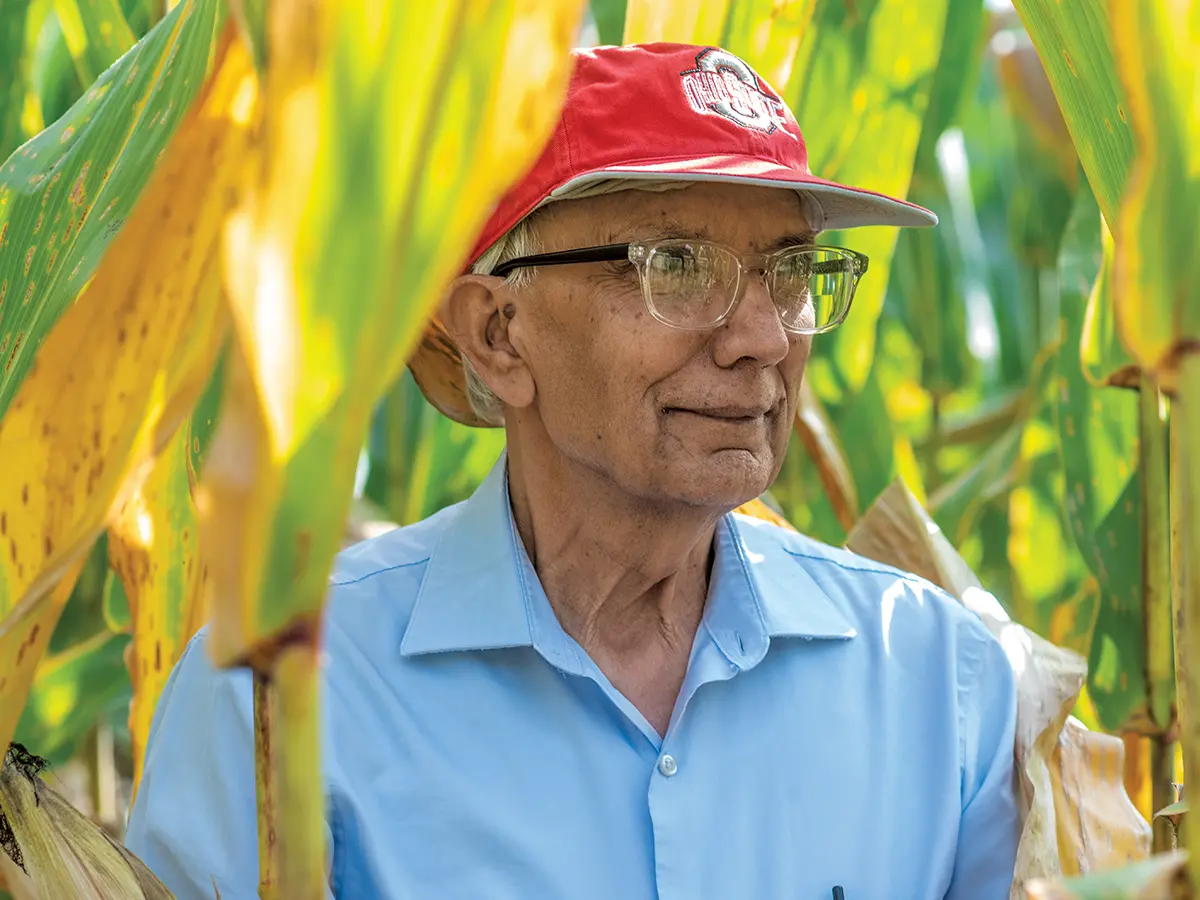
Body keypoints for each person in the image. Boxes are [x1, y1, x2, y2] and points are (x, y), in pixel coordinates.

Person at [125, 42, 1019, 899]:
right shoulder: (281, 700)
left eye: (788, 273)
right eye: (676, 265)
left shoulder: (944, 686)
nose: (764, 340)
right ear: (497, 335)